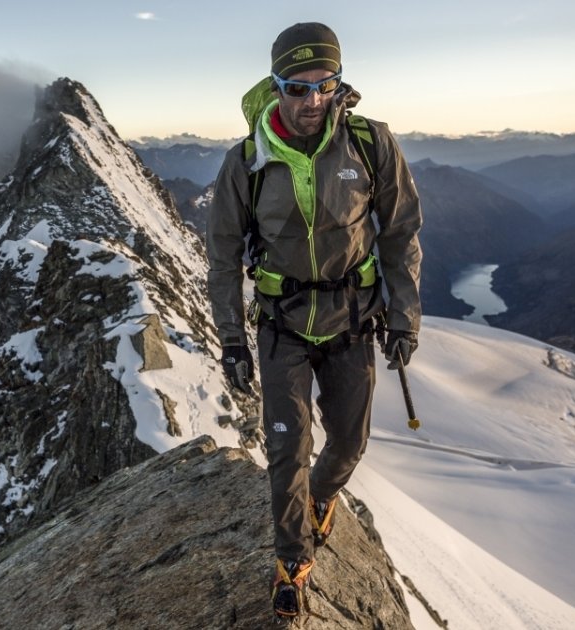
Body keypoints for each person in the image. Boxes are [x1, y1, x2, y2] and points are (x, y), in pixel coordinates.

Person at [206, 22, 422, 619]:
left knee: (349, 443)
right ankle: (291, 561)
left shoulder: (369, 144)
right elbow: (223, 259)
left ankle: (323, 496)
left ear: (339, 84)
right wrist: (232, 341)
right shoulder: (246, 162)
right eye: (295, 88)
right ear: (273, 87)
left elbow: (401, 233)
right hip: (282, 326)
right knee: (286, 450)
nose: (311, 101)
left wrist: (403, 318)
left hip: (353, 320)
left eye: (324, 86)